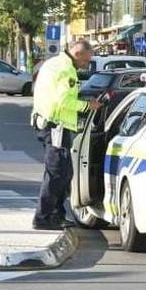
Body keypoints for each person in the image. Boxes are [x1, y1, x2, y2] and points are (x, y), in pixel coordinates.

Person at [30, 40, 102, 230]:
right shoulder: (67, 70)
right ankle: (43, 217)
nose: (86, 64)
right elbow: (63, 101)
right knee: (57, 173)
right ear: (78, 53)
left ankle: (57, 214)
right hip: (56, 127)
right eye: (86, 60)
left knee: (63, 172)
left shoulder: (53, 63)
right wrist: (88, 106)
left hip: (45, 122)